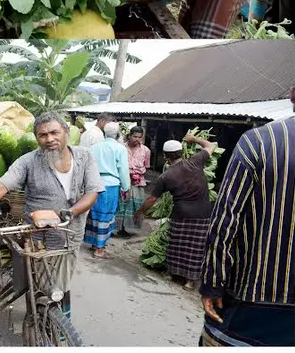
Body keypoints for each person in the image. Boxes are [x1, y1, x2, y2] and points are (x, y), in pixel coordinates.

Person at [0, 112, 102, 318]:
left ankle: (60, 325)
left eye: (54, 132)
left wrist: (69, 212)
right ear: (36, 139)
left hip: (71, 233)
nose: (49, 139)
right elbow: (1, 187)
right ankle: (41, 319)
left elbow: (92, 192)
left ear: (66, 133)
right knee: (41, 285)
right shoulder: (28, 162)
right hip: (38, 236)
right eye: (42, 135)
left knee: (61, 284)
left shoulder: (85, 157)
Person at [199, 88, 295, 347]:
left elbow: (225, 219)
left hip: (254, 297)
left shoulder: (259, 141)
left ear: (294, 95)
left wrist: (212, 282)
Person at [135, 135, 216, 289]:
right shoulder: (195, 161)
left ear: (165, 157)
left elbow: (151, 199)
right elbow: (210, 146)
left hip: (182, 215)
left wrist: (140, 212)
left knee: (178, 245)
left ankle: (173, 273)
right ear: (182, 153)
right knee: (195, 247)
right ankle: (190, 281)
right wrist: (195, 139)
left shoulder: (165, 176)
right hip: (203, 213)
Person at [85, 122, 130, 258]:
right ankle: (100, 249)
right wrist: (126, 187)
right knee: (106, 215)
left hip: (94, 183)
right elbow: (123, 170)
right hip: (110, 185)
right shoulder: (120, 149)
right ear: (117, 134)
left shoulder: (94, 148)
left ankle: (94, 243)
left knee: (94, 214)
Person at [115, 126, 151, 236]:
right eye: (135, 136)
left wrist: (137, 174)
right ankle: (118, 227)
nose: (137, 139)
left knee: (134, 205)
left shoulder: (146, 150)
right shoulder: (121, 148)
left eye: (140, 137)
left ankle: (127, 228)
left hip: (138, 182)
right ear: (129, 136)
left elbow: (147, 167)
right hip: (122, 181)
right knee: (121, 204)